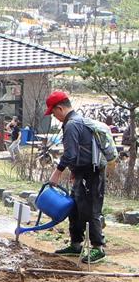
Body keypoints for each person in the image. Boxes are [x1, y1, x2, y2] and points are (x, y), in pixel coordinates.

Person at [47, 91, 108, 263]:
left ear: (60, 108)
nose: (55, 117)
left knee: (90, 209)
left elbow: (70, 154)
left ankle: (98, 248)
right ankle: (76, 244)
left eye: (53, 113)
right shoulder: (74, 122)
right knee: (74, 207)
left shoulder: (72, 124)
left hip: (92, 173)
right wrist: (74, 171)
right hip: (82, 172)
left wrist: (57, 172)